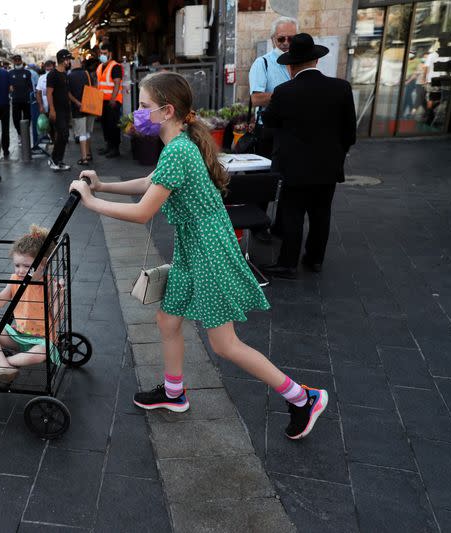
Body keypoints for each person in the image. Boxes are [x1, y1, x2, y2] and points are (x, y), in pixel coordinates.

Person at [68, 71, 329, 440]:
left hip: (208, 250)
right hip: (196, 245)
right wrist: (103, 185)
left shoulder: (179, 148)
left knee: (225, 345)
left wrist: (93, 203)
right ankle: (174, 393)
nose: (137, 113)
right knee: (167, 319)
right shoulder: (180, 142)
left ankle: (303, 397)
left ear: (166, 110)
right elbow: (149, 183)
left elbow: (144, 212)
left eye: (143, 106)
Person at [261, 34, 356, 280]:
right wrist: (337, 154)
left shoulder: (283, 91)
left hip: (294, 167)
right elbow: (350, 133)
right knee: (321, 214)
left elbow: (269, 121)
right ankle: (315, 260)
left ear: (290, 66)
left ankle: (288, 264)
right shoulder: (341, 88)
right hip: (328, 166)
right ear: (315, 61)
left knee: (293, 214)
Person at [0, 224, 61, 384]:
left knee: (39, 354)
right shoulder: (15, 280)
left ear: (43, 263)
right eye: (17, 265)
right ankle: (5, 367)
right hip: (18, 335)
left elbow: (57, 317)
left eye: (27, 266)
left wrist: (59, 296)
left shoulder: (49, 284)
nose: (20, 270)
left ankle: (2, 362)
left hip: (42, 339)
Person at [248, 16, 298, 158]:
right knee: (271, 176)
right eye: (281, 39)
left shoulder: (301, 63)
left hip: (296, 128)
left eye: (291, 39)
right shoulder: (262, 63)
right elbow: (256, 99)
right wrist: (290, 95)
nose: (286, 43)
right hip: (272, 131)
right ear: (273, 39)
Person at [46, 50, 73, 171]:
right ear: (63, 59)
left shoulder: (65, 74)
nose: (70, 61)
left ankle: (59, 160)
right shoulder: (53, 74)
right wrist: (52, 110)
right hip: (57, 110)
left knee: (65, 135)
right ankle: (53, 159)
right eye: (68, 59)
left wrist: (76, 103)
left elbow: (67, 93)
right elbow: (49, 93)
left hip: (65, 109)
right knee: (62, 134)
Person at [95, 43, 123, 158]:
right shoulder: (100, 66)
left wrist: (113, 99)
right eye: (101, 53)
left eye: (105, 53)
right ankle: (108, 146)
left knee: (113, 125)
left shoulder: (115, 66)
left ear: (110, 53)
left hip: (113, 101)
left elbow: (117, 83)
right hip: (102, 101)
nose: (102, 55)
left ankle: (115, 149)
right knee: (105, 124)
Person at [68, 56, 96, 166]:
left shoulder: (69, 76)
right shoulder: (87, 74)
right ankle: (89, 154)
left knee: (81, 133)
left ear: (72, 65)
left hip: (78, 108)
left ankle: (84, 158)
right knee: (88, 132)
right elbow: (93, 87)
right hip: (90, 107)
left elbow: (68, 93)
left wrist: (76, 102)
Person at [8, 54, 34, 147]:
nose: (17, 62)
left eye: (19, 60)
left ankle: (26, 134)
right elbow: (9, 85)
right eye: (16, 60)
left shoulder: (27, 73)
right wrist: (9, 90)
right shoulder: (10, 73)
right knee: (16, 119)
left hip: (26, 100)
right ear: (14, 62)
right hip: (15, 100)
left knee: (28, 118)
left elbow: (30, 86)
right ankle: (19, 134)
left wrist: (30, 95)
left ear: (21, 61)